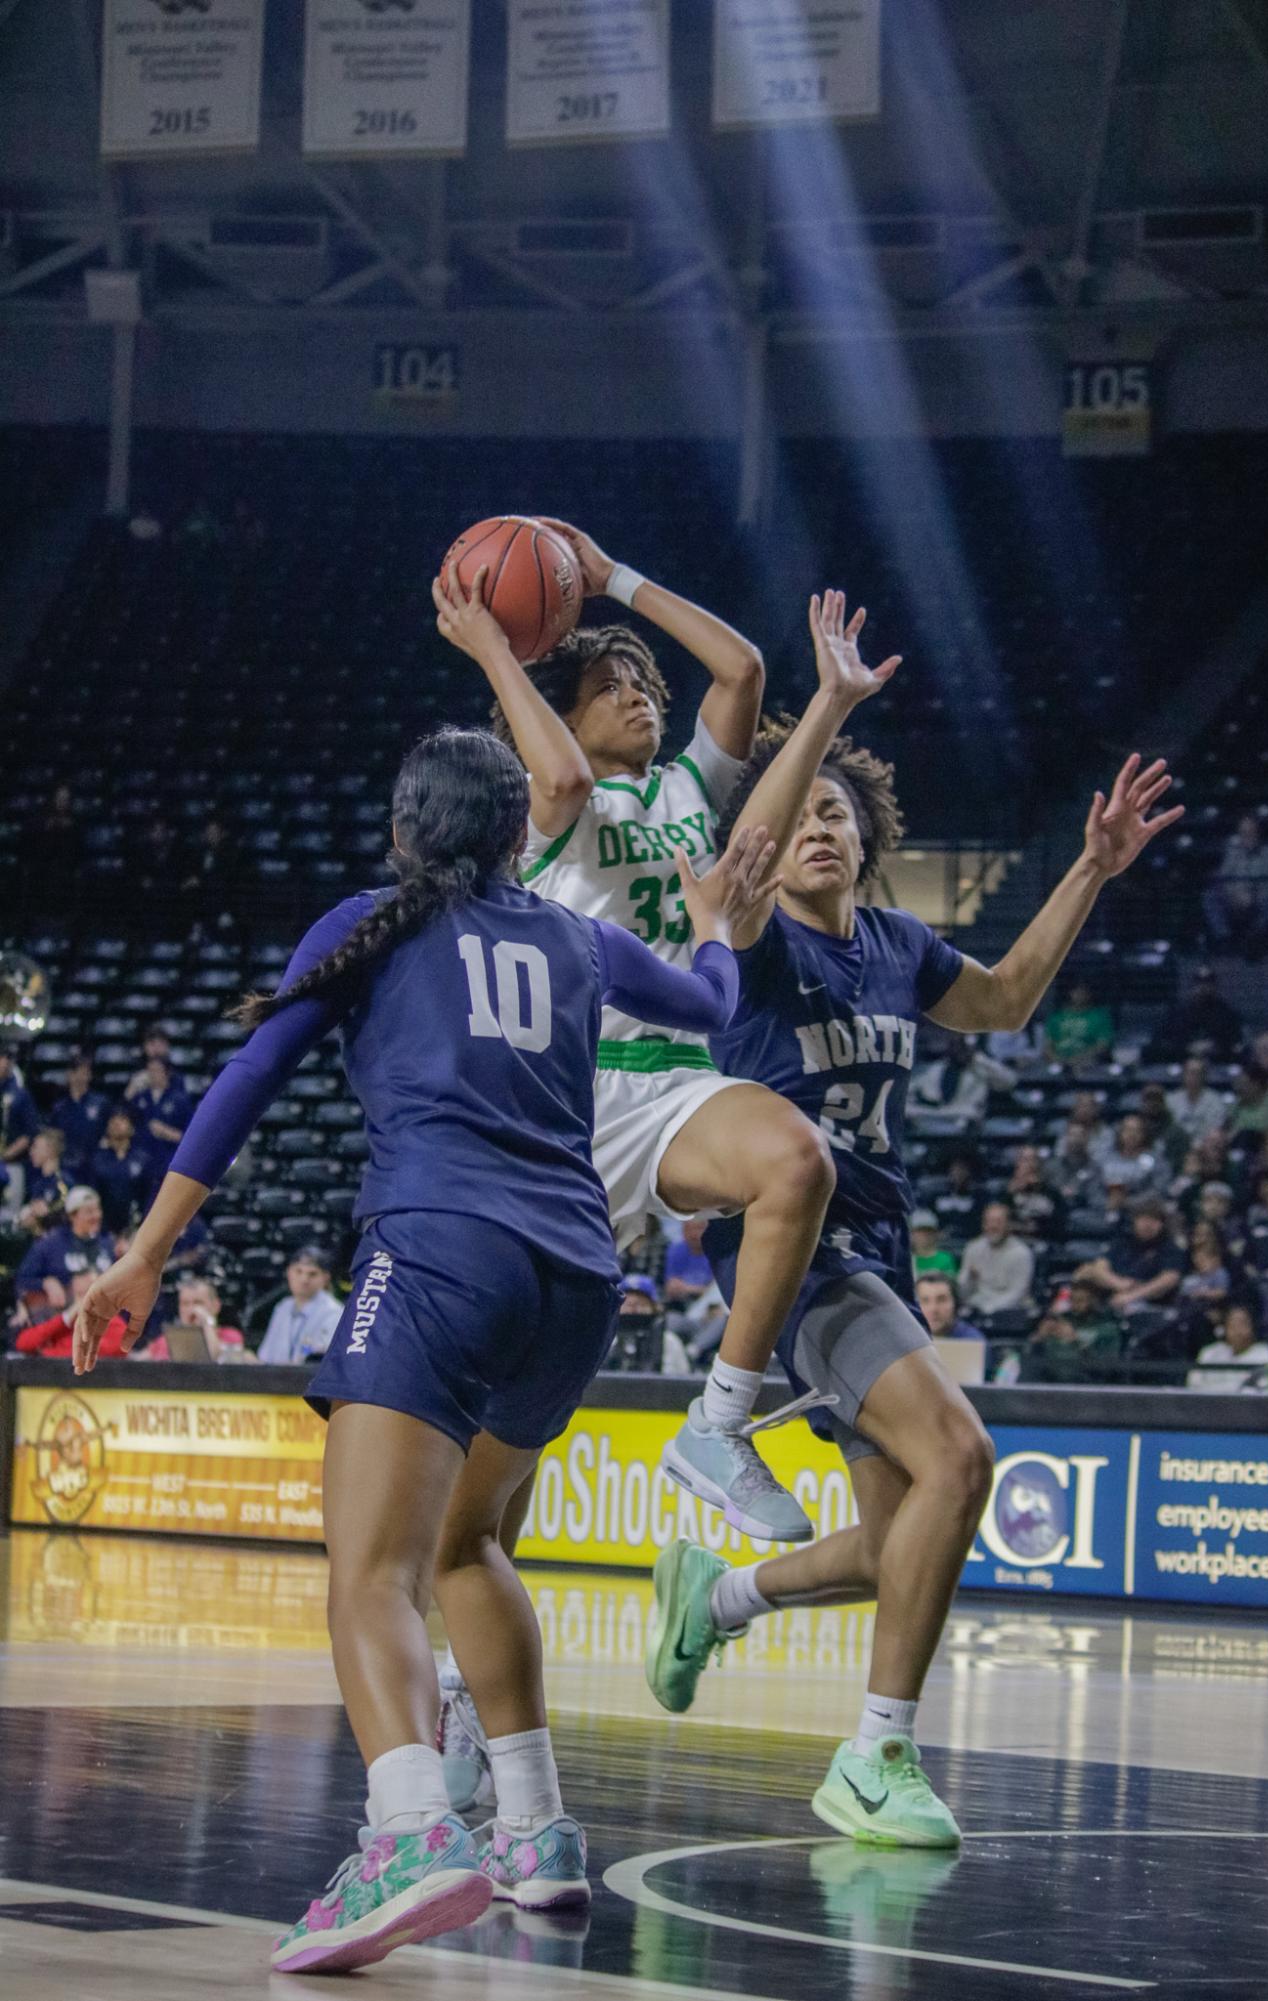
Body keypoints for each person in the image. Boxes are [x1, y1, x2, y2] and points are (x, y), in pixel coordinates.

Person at [70, 723, 771, 1974]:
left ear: (404, 829)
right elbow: (711, 1003)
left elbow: (246, 1080)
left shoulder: (370, 922)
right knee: (467, 1545)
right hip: (573, 1282)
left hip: (445, 1251)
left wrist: (144, 1254)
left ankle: (407, 1834)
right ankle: (539, 1830)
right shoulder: (578, 934)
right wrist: (714, 919)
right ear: (518, 838)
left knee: (370, 1571)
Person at [644, 648, 1179, 1849]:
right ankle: (877, 1752)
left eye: (838, 809)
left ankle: (718, 1595)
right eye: (801, 814)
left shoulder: (894, 945)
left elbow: (1001, 1001)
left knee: (901, 1548)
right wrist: (823, 713)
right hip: (794, 1261)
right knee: (960, 1455)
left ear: (867, 835)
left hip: (876, 1253)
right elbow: (734, 878)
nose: (818, 827)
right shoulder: (750, 941)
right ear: (770, 839)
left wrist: (1089, 871)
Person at [440, 549, 874, 1547]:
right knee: (519, 1417)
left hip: (672, 1085)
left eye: (641, 685)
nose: (637, 697)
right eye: (607, 687)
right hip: (557, 1114)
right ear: (558, 708)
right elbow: (552, 765)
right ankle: (462, 1666)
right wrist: (492, 649)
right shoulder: (547, 805)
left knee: (795, 1157)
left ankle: (717, 1422)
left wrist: (609, 578)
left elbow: (742, 673)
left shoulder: (684, 785)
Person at [1075, 1195, 1185, 1317]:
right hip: (1114, 1292)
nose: (1148, 1224)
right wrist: (1119, 1284)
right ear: (1135, 1220)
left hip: (1148, 1303)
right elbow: (1100, 1267)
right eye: (1143, 1219)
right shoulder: (1123, 1241)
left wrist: (1132, 1296)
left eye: (1154, 1220)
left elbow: (1169, 1278)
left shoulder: (1169, 1247)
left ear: (1162, 1224)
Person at [14, 1185, 115, 1310]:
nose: (96, 1216)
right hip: (62, 1317)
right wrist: (45, 1283)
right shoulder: (50, 1244)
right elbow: (22, 1279)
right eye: (89, 1211)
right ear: (72, 1216)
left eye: (97, 1210)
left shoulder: (107, 1244)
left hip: (101, 1317)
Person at [1204, 813, 1268, 951]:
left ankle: (1255, 939)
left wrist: (1255, 897)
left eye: (1250, 832)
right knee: (1210, 897)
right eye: (1243, 832)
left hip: (1262, 898)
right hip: (1236, 898)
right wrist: (1236, 894)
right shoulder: (1232, 853)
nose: (1247, 836)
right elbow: (1224, 879)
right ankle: (1224, 938)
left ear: (1258, 833)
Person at [11, 1269, 130, 1360]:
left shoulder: (113, 1323)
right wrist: (66, 1318)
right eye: (81, 1296)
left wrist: (47, 1353)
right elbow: (23, 1343)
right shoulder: (60, 1321)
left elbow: (117, 1347)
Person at [905, 1034, 1015, 1128]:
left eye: (963, 1048)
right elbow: (910, 1089)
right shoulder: (936, 1069)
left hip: (963, 1118)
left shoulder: (981, 1070)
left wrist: (977, 1058)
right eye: (955, 1046)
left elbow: (1010, 1081)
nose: (959, 1051)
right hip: (933, 1116)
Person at [257, 1247, 345, 1363]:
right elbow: (265, 1356)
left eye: (312, 1274)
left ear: (325, 1278)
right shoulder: (283, 1307)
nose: (304, 1279)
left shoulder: (334, 1312)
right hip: (276, 1377)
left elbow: (323, 1360)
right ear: (289, 1273)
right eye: (298, 1271)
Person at [126, 1054, 194, 1193]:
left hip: (168, 1161)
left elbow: (190, 1137)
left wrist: (166, 1132)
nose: (152, 1075)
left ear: (167, 1073)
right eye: (149, 1071)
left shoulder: (179, 1100)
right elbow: (123, 1119)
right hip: (141, 1161)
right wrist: (131, 1090)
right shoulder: (140, 1097)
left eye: (156, 1070)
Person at [141, 1275, 251, 1362]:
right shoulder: (165, 1340)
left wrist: (207, 1322)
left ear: (216, 1306)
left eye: (198, 1303)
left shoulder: (230, 1336)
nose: (191, 1309)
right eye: (185, 1303)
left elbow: (214, 1357)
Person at [957, 1200, 1035, 1317]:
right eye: (988, 1221)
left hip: (1010, 1309)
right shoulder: (973, 1248)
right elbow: (962, 1289)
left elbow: (1018, 1293)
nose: (993, 1226)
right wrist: (970, 1278)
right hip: (978, 1305)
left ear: (1009, 1224)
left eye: (998, 1222)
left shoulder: (1021, 1253)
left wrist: (990, 1309)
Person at [1147, 965, 1241, 1062]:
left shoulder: (1227, 1014)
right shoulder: (1176, 1013)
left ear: (1215, 986)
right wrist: (1187, 1046)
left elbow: (1236, 1041)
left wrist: (1215, 1045)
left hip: (1217, 1061)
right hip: (1182, 1060)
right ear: (1192, 986)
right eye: (1199, 983)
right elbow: (1160, 1040)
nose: (1203, 987)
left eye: (1208, 983)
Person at [1187, 1297, 1268, 1391]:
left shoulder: (1265, 1354)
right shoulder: (1209, 1352)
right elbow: (1193, 1386)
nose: (1237, 1331)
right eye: (1232, 1325)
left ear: (1253, 1327)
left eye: (1243, 1324)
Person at [90, 1109, 152, 1234]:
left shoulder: (142, 1159)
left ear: (132, 1128)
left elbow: (148, 1195)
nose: (116, 1124)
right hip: (103, 1229)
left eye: (122, 1120)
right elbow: (92, 1194)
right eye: (112, 1121)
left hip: (136, 1228)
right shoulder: (97, 1159)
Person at [49, 1054, 111, 1180]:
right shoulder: (60, 1107)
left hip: (94, 1164)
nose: (83, 1077)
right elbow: (54, 1136)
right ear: (70, 1074)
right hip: (66, 1164)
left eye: (86, 1072)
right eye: (79, 1072)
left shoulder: (100, 1103)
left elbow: (108, 1132)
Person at [0, 1045, 39, 1206]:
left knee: (9, 1211)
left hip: (12, 1164)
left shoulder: (20, 1094)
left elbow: (29, 1133)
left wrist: (5, 1155)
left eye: (5, 1058)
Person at [1044, 978, 1114, 1067]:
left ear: (1089, 994)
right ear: (1070, 993)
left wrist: (1080, 1057)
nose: (1079, 995)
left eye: (1083, 991)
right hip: (1057, 1063)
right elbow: (1048, 1044)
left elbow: (1103, 1045)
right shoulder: (1057, 1017)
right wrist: (1056, 1059)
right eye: (1076, 991)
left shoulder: (1100, 1016)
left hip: (1090, 1064)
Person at [914, 1272, 983, 1345]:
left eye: (941, 1300)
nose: (933, 1309)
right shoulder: (907, 1339)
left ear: (956, 1304)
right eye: (925, 1300)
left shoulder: (973, 1342)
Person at [909, 1210, 957, 1278]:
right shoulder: (907, 1260)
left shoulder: (945, 1258)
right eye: (920, 1230)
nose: (924, 1234)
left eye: (928, 1230)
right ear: (912, 1233)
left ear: (936, 1233)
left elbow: (950, 1284)